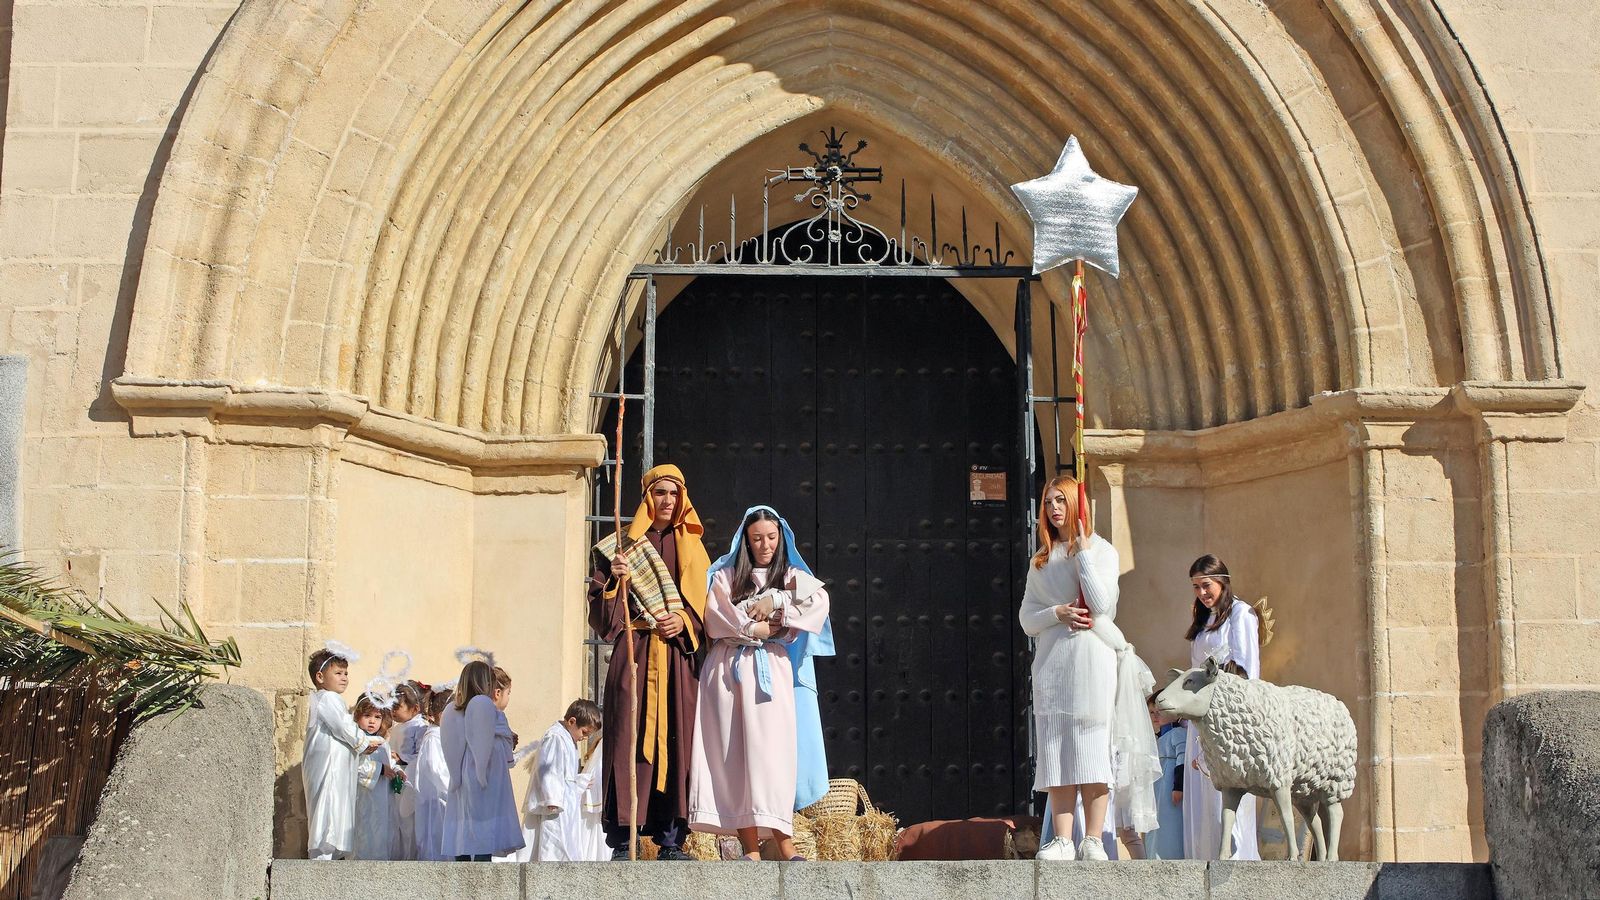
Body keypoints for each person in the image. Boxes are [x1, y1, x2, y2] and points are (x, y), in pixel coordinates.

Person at [1021, 475, 1158, 862]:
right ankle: (1063, 839)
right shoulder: (1041, 560)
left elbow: (1100, 606)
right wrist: (1057, 613)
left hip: (1091, 662)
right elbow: (1027, 619)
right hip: (1052, 665)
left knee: (1092, 748)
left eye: (1060, 500)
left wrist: (1082, 555)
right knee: (1058, 749)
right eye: (1048, 502)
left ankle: (1094, 839)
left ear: (1077, 505)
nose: (1053, 508)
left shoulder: (1102, 551)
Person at [689, 506, 831, 861]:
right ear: (746, 542)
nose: (765, 545)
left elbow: (818, 602)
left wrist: (778, 599)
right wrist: (758, 628)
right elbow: (717, 617)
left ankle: (785, 842)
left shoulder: (792, 576)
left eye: (771, 537)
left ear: (780, 537)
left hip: (771, 672)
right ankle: (749, 847)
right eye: (757, 539)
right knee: (735, 755)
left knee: (773, 756)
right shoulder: (725, 576)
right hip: (728, 672)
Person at [588, 464, 709, 861]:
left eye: (674, 494)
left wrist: (686, 621)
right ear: (647, 498)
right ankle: (624, 839)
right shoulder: (621, 547)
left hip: (676, 660)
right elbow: (601, 617)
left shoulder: (693, 550)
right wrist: (615, 581)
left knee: (678, 742)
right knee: (627, 739)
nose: (667, 501)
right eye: (660, 493)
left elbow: (708, 610)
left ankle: (671, 839)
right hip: (635, 653)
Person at [1181, 554, 1262, 860]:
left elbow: (1247, 669)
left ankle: (1235, 865)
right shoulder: (1204, 619)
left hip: (1228, 720)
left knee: (1225, 801)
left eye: (1207, 585)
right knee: (1203, 802)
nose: (1202, 593)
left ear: (1222, 582)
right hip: (1201, 721)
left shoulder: (1241, 614)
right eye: (1196, 587)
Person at [302, 643, 381, 861]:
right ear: (320, 676)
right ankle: (324, 854)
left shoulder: (328, 700)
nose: (344, 677)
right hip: (329, 766)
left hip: (336, 766)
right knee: (329, 808)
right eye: (338, 673)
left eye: (346, 673)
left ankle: (332, 853)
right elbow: (342, 727)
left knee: (335, 807)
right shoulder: (328, 698)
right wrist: (363, 742)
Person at [441, 661, 524, 861]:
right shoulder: (490, 709)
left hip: (461, 771)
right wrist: (509, 740)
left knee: (463, 816)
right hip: (487, 769)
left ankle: (461, 858)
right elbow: (504, 748)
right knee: (484, 816)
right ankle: (482, 859)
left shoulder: (454, 711)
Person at [520, 699, 604, 861]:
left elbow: (564, 774)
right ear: (572, 721)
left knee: (564, 843)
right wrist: (552, 798)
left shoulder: (568, 738)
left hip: (564, 804)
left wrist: (578, 782)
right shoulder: (555, 737)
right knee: (552, 843)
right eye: (584, 732)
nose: (585, 738)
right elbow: (549, 769)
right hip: (553, 806)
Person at [352, 692, 403, 860]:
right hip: (365, 798)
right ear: (358, 716)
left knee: (384, 830)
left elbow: (390, 762)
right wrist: (380, 770)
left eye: (377, 716)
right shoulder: (357, 742)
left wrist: (397, 771)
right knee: (365, 831)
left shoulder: (383, 743)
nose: (372, 721)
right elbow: (355, 767)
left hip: (384, 799)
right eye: (367, 716)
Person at [413, 684, 452, 861]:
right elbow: (436, 769)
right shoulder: (434, 738)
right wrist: (455, 789)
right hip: (439, 801)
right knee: (437, 841)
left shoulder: (445, 736)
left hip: (446, 801)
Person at [389, 680, 427, 860]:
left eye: (398, 706)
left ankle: (411, 857)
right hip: (396, 777)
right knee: (397, 819)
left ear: (415, 709)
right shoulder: (396, 728)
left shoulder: (419, 727)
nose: (393, 711)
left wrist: (403, 759)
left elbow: (422, 755)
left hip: (410, 778)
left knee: (409, 820)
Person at [1150, 695, 1187, 860]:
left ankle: (1167, 857)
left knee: (1169, 825)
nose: (1155, 716)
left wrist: (1178, 786)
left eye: (1160, 711)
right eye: (1152, 712)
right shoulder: (1157, 738)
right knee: (1156, 825)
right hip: (1158, 789)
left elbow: (1182, 758)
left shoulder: (1178, 733)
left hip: (1169, 789)